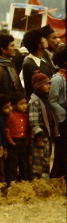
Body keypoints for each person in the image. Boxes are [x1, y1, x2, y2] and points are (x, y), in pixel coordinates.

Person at [28, 72, 59, 180]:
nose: (49, 86)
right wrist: (39, 137)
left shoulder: (45, 99)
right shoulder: (34, 101)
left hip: (47, 136)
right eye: (46, 84)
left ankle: (44, 182)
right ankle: (36, 181)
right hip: (39, 138)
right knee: (37, 162)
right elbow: (33, 122)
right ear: (38, 86)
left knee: (46, 160)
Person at [22, 29, 55, 99]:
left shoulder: (43, 60)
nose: (45, 39)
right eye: (42, 38)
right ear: (39, 45)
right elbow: (39, 88)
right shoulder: (29, 63)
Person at [5, 92, 30, 183]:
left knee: (24, 162)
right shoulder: (10, 116)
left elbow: (27, 130)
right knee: (12, 164)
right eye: (21, 104)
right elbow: (7, 129)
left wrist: (27, 141)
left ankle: (24, 181)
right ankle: (12, 182)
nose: (24, 106)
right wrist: (11, 141)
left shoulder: (26, 116)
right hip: (14, 142)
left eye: (25, 103)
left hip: (23, 142)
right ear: (14, 105)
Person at [49, 46, 66, 178]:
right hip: (63, 120)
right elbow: (52, 101)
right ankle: (58, 175)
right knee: (62, 149)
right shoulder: (58, 79)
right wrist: (64, 115)